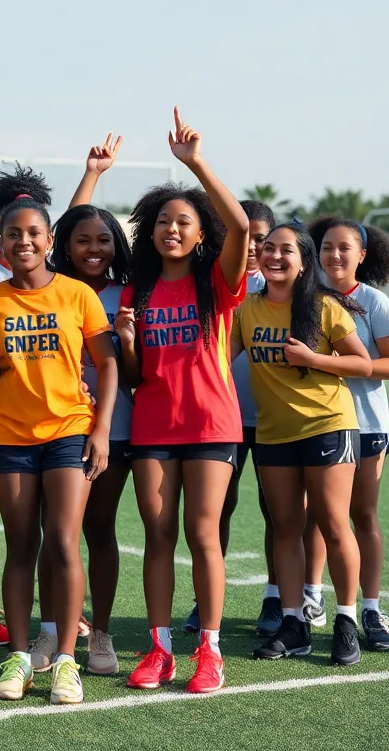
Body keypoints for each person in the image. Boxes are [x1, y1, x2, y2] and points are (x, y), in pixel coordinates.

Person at [115, 109, 249, 694]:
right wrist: (124, 342)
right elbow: (136, 375)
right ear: (151, 232)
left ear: (200, 234)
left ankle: (210, 652)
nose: (172, 228)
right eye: (164, 221)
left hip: (211, 425)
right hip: (152, 425)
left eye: (184, 221)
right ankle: (160, 649)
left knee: (203, 534)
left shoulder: (216, 283)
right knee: (158, 533)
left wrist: (195, 163)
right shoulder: (134, 291)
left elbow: (242, 227)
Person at [0, 196, 118, 705]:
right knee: (20, 546)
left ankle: (65, 661)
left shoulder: (77, 294)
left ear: (49, 240)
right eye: (14, 234)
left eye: (34, 233)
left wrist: (100, 430)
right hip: (9, 436)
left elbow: (108, 364)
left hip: (69, 432)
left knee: (62, 541)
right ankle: (19, 658)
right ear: (2, 244)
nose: (24, 242)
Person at [241, 223, 372, 666]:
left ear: (303, 262)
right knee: (285, 528)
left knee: (335, 525)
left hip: (328, 427)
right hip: (274, 433)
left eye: (286, 251)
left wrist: (314, 359)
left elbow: (364, 364)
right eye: (267, 248)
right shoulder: (247, 310)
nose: (274, 256)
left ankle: (346, 620)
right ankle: (293, 623)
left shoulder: (324, 306)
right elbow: (218, 358)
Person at [303, 217, 389, 651]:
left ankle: (370, 607)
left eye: (345, 248)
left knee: (362, 516)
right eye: (327, 247)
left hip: (366, 425)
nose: (335, 255)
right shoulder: (305, 298)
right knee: (317, 516)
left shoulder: (374, 301)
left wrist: (332, 362)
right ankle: (311, 597)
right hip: (318, 422)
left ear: (362, 254)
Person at [184, 199, 279, 638]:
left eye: (263, 238)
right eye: (248, 236)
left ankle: (279, 596)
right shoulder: (211, 277)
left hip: (276, 418)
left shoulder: (285, 286)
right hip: (221, 417)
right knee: (216, 510)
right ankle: (204, 601)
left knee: (278, 511)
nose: (256, 246)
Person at [46, 204, 132, 676]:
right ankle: (50, 630)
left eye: (103, 240)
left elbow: (135, 370)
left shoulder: (129, 293)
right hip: (53, 427)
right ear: (65, 244)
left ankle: (100, 632)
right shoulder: (51, 289)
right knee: (54, 535)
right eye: (82, 240)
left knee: (98, 530)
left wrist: (126, 339)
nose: (94, 249)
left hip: (113, 428)